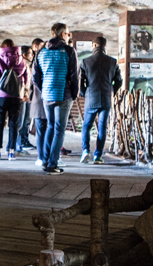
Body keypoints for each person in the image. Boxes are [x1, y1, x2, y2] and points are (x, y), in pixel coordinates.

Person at [33, 22, 78, 174]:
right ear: (63, 34)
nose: (68, 36)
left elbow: (35, 76)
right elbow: (74, 75)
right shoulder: (68, 50)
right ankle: (52, 164)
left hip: (46, 95)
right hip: (63, 94)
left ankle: (46, 161)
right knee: (59, 129)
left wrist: (43, 89)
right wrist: (74, 93)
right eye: (68, 33)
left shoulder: (41, 51)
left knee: (50, 127)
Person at [78, 36, 122, 163]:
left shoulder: (86, 61)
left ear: (94, 46)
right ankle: (98, 155)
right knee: (102, 128)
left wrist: (84, 92)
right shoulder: (112, 62)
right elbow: (119, 81)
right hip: (106, 98)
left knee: (86, 126)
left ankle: (85, 150)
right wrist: (112, 90)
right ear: (105, 47)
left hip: (91, 97)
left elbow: (81, 82)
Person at [0, 39, 27, 160]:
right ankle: (11, 152)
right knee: (13, 124)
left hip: (0, 96)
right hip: (16, 96)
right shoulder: (22, 61)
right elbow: (26, 79)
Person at [15, 45, 36, 154]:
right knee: (21, 121)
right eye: (30, 53)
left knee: (25, 120)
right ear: (24, 55)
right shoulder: (23, 66)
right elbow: (25, 83)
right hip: (23, 97)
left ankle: (22, 142)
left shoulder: (29, 65)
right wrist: (25, 95)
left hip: (27, 96)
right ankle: (17, 144)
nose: (32, 55)